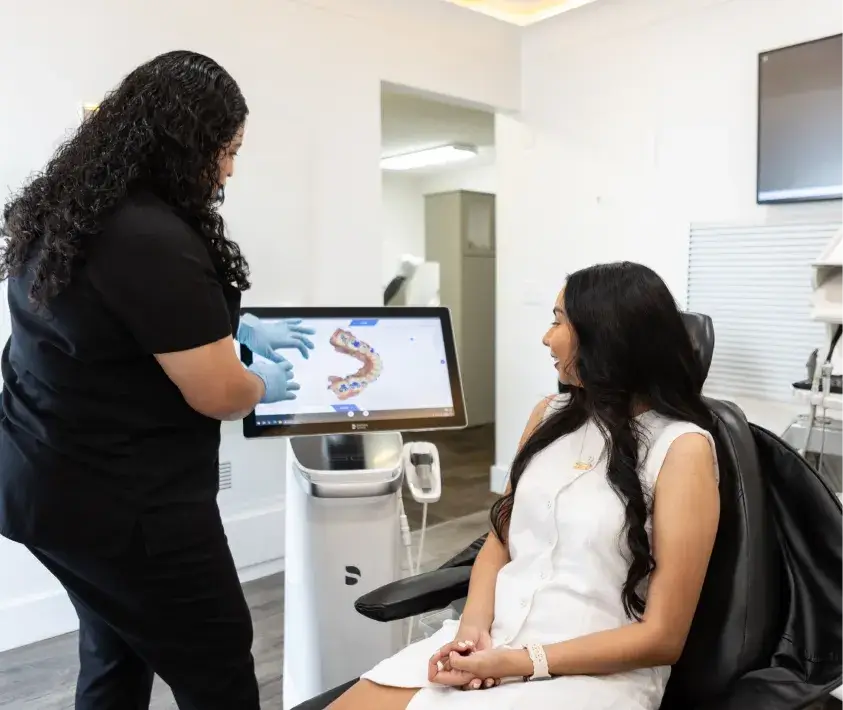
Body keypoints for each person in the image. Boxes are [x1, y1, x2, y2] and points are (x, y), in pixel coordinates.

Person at [0, 51, 307, 709]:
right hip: (120, 503)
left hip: (38, 480)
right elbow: (218, 392)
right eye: (225, 150)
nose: (228, 168)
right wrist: (260, 382)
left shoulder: (67, 209)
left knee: (114, 648)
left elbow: (120, 324)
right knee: (216, 664)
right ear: (182, 143)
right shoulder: (146, 235)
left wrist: (238, 332)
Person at [329, 261, 721, 710]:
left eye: (558, 321)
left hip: (595, 676)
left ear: (605, 334)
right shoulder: (549, 416)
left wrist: (521, 661)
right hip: (497, 644)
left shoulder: (682, 449)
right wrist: (472, 629)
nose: (546, 337)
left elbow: (663, 638)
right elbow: (500, 539)